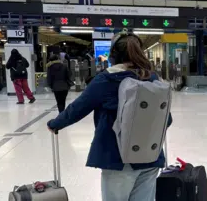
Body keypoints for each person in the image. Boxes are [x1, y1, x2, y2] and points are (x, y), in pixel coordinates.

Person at [47, 31, 173, 201]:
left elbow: (77, 109)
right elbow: (167, 119)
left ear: (113, 55)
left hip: (118, 159)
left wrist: (55, 123)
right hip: (151, 156)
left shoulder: (106, 79)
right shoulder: (152, 78)